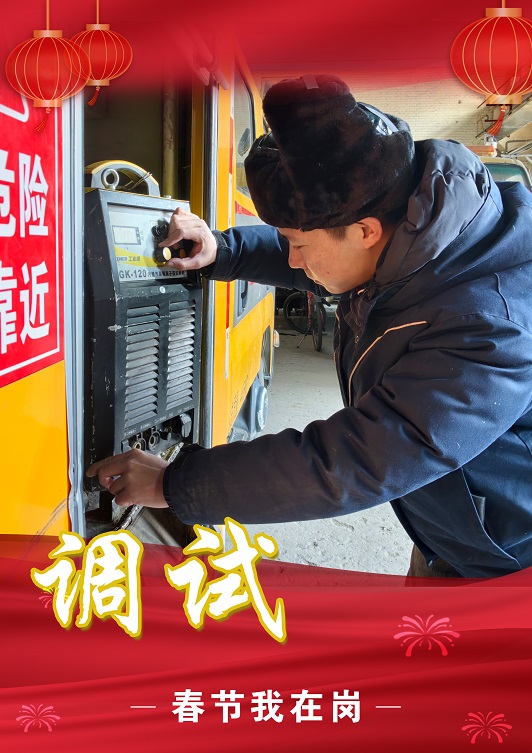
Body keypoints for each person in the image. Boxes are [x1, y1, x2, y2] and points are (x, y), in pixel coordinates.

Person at [87, 74, 532, 579]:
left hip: (503, 561)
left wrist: (175, 485)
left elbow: (358, 461)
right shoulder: (416, 229)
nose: (294, 261)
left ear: (365, 232)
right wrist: (222, 250)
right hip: (450, 525)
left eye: (298, 244)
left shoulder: (490, 326)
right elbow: (326, 256)